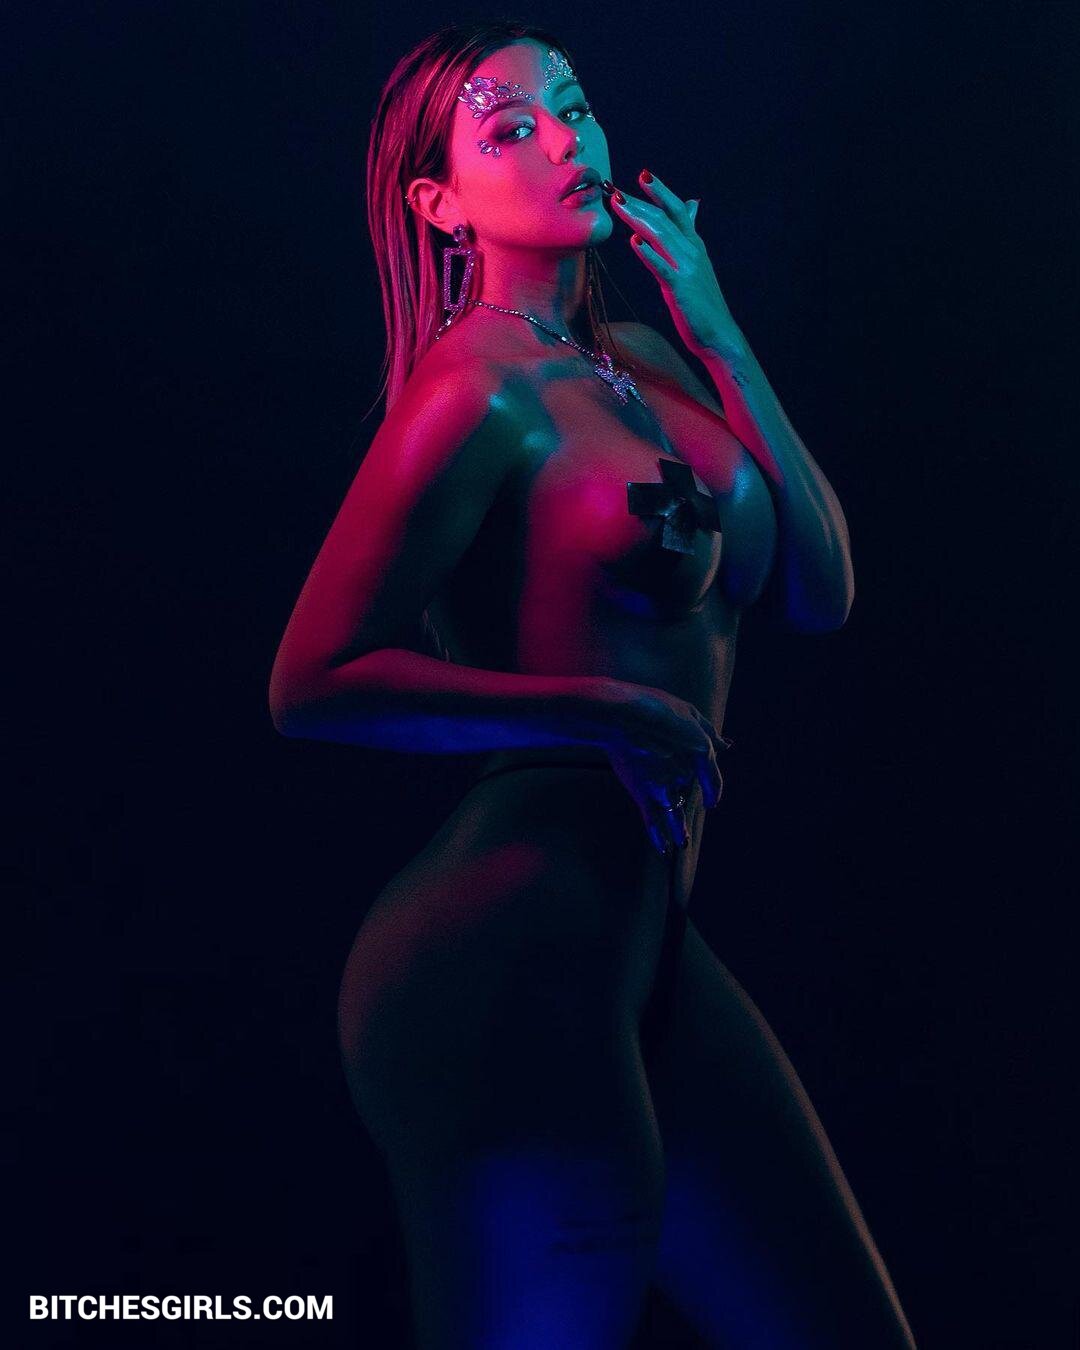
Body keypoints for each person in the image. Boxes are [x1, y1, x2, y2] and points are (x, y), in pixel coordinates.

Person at [268, 19, 918, 1349]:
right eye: (511, 129)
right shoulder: (473, 389)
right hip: (505, 946)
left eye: (571, 106)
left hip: (646, 940)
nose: (565, 140)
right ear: (440, 205)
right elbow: (311, 678)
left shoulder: (652, 362)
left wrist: (718, 330)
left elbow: (821, 588)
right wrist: (594, 708)